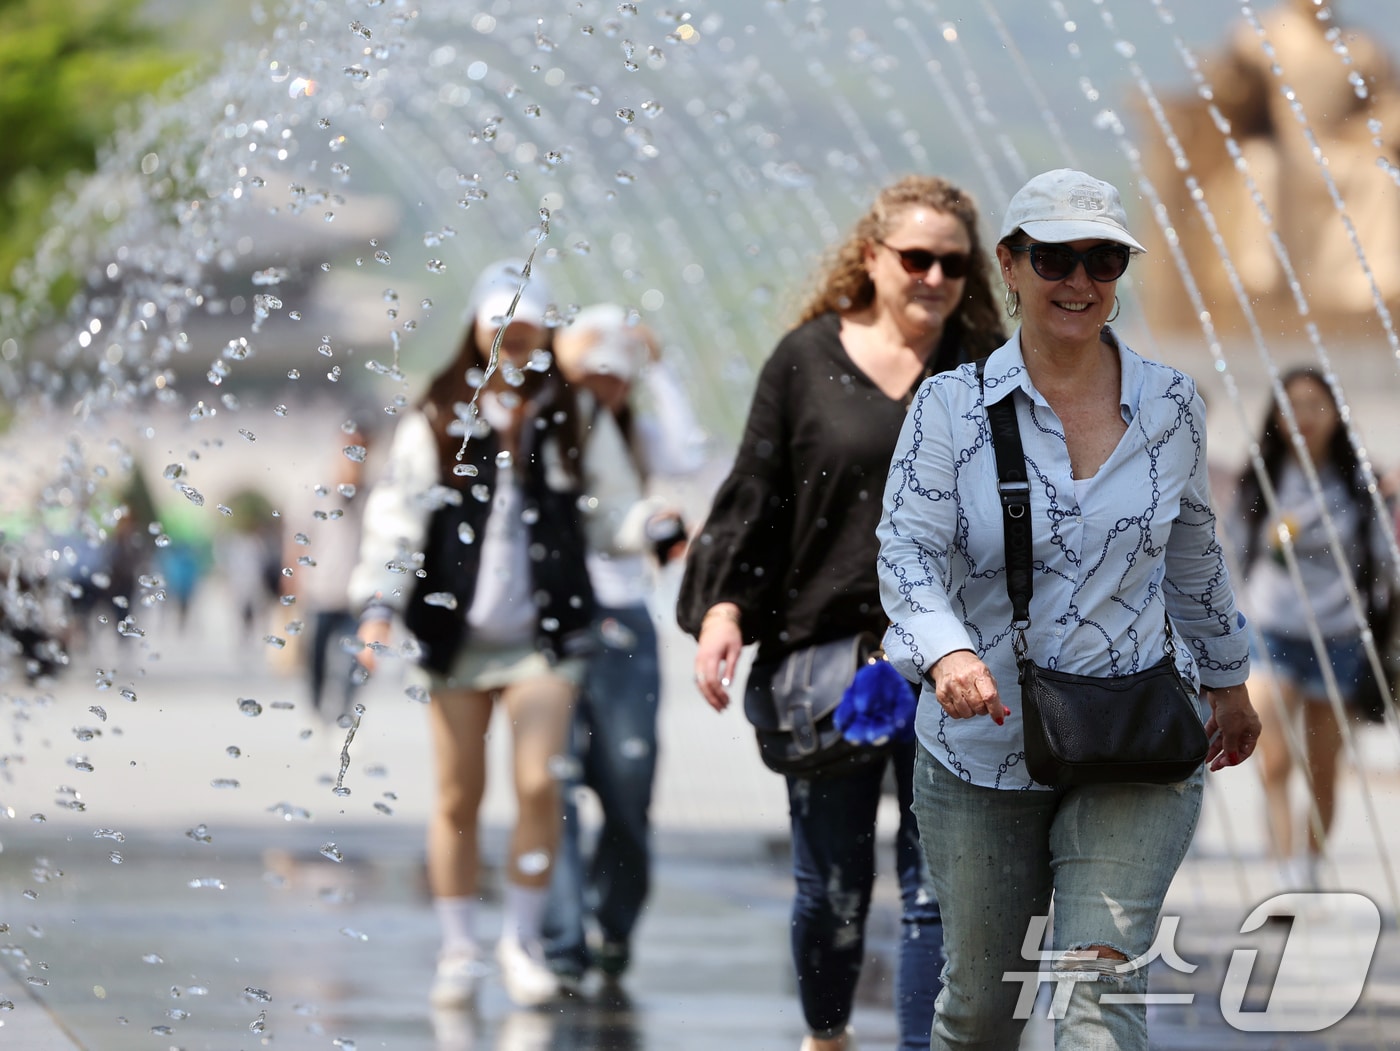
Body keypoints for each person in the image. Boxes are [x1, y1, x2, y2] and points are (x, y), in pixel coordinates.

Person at [875, 168, 1261, 1050]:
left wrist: (1230, 678)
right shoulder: (950, 406)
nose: (1080, 281)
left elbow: (1194, 550)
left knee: (1100, 988)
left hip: (1135, 730)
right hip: (983, 744)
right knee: (980, 1008)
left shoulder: (1170, 404)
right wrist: (946, 654)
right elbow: (904, 553)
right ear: (1009, 266)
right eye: (1055, 257)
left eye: (1103, 260)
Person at [678, 174, 1006, 1051]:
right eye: (916, 258)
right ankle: (826, 1036)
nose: (934, 277)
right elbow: (757, 495)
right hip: (827, 657)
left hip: (953, 663)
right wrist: (723, 610)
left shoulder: (985, 370)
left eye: (952, 263)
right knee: (833, 890)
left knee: (939, 891)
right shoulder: (805, 359)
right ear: (872, 258)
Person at [348, 259, 599, 1011]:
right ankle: (458, 946)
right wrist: (377, 604)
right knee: (459, 794)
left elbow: (611, 502)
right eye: (501, 331)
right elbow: (397, 513)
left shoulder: (568, 414)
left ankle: (521, 938)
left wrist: (652, 529)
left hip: (542, 636)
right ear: (477, 332)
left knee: (537, 782)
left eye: (527, 333)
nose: (513, 346)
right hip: (454, 634)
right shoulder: (436, 413)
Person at [543, 304, 702, 990]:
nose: (602, 386)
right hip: (550, 625)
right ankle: (562, 939)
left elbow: (690, 452)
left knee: (628, 787)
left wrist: (660, 368)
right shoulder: (547, 423)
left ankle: (614, 920)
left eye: (614, 373)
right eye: (590, 371)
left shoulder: (633, 432)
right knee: (551, 783)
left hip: (623, 618)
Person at [1230, 366, 1395, 890]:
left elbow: (1384, 561)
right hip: (1272, 629)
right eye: (1291, 406)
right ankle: (1282, 870)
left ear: (1336, 414)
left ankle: (1308, 864)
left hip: (1339, 636)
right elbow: (1233, 551)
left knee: (1324, 766)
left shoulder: (1358, 481)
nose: (1303, 417)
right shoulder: (1260, 475)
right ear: (1276, 417)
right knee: (1273, 757)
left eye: (1315, 405)